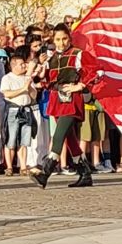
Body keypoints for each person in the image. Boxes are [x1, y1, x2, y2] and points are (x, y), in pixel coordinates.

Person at [32, 34, 96, 188]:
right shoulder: (51, 58)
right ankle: (85, 173)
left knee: (59, 135)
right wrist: (40, 72)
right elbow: (47, 82)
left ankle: (46, 171)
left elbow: (96, 71)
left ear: (69, 39)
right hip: (57, 100)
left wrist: (80, 86)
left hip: (71, 100)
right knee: (70, 138)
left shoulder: (78, 54)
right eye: (58, 39)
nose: (61, 42)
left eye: (64, 39)